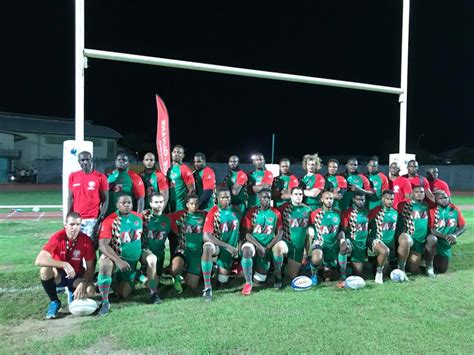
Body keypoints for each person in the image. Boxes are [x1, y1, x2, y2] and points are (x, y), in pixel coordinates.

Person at [35, 212, 96, 319]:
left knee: (90, 291)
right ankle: (54, 301)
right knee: (44, 270)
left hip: (76, 275)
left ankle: (73, 291)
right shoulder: (58, 237)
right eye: (72, 224)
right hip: (58, 274)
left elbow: (90, 267)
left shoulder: (86, 240)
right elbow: (39, 260)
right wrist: (64, 264)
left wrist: (83, 283)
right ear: (65, 225)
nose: (75, 227)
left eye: (78, 224)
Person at [97, 194, 143, 316]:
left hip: (131, 263)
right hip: (116, 259)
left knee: (123, 294)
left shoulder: (139, 218)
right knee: (105, 264)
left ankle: (135, 275)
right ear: (117, 205)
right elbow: (103, 245)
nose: (127, 205)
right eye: (123, 203)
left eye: (129, 203)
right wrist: (118, 261)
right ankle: (105, 302)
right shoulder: (110, 220)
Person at [201, 187, 241, 301]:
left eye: (228, 197)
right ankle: (207, 288)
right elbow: (206, 236)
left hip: (229, 252)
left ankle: (214, 267)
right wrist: (227, 246)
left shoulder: (237, 212)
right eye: (222, 197)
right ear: (217, 199)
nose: (225, 200)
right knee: (207, 248)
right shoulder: (213, 212)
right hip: (218, 246)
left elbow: (242, 232)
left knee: (222, 281)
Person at [241, 188, 285, 293]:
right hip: (254, 243)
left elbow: (280, 233)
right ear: (259, 198)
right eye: (264, 197)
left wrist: (268, 247)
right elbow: (246, 234)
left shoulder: (276, 213)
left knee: (259, 281)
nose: (267, 200)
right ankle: (248, 283)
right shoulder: (252, 212)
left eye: (269, 198)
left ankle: (277, 275)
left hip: (269, 245)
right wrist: (259, 246)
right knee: (246, 250)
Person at [168, 194, 207, 292]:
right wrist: (176, 231)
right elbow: (166, 217)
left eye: (196, 203)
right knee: (174, 268)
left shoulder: (203, 215)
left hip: (197, 252)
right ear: (187, 205)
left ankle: (185, 273)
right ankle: (177, 275)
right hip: (183, 249)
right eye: (191, 204)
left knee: (192, 286)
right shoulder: (181, 214)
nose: (194, 206)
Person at [68, 151, 109, 239]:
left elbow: (105, 200)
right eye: (82, 160)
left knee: (90, 247)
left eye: (87, 159)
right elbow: (71, 198)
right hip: (76, 219)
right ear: (79, 161)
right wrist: (68, 217)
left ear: (91, 160)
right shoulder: (73, 176)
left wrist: (99, 219)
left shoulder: (100, 177)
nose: (85, 162)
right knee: (75, 247)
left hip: (92, 220)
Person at [309, 191, 347, 284]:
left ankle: (343, 274)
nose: (329, 201)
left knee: (328, 276)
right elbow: (308, 226)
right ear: (322, 200)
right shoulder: (315, 214)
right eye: (327, 198)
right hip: (320, 242)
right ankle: (313, 274)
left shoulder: (338, 212)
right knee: (317, 258)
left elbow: (341, 229)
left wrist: (342, 240)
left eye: (331, 198)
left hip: (334, 243)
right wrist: (310, 230)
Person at [140, 193, 171, 304]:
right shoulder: (144, 217)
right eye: (156, 202)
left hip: (160, 254)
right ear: (151, 204)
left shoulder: (168, 220)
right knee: (152, 262)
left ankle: (140, 276)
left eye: (161, 202)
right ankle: (154, 294)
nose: (159, 205)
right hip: (145, 252)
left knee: (154, 279)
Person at [396, 186, 434, 277]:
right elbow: (401, 221)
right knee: (413, 267)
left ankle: (427, 264)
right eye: (417, 192)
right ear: (412, 194)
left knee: (414, 267)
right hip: (412, 239)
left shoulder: (426, 206)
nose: (420, 193)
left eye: (422, 192)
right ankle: (401, 267)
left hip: (422, 241)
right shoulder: (407, 205)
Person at [367, 190, 402, 284]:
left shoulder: (395, 212)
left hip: (389, 243)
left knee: (386, 271)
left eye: (392, 199)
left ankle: (375, 265)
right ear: (382, 199)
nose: (390, 201)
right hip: (375, 240)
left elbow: (395, 231)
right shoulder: (375, 211)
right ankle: (378, 274)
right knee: (384, 251)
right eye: (387, 199)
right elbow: (366, 226)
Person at [278, 187, 313, 279]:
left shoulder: (307, 210)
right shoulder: (283, 208)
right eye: (296, 194)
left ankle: (289, 267)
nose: (298, 196)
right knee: (278, 249)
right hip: (287, 243)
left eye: (300, 194)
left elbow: (308, 232)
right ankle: (278, 274)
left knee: (292, 275)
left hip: (299, 246)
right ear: (291, 196)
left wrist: (306, 249)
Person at [428, 190, 466, 274]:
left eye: (445, 197)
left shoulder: (454, 209)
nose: (444, 200)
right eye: (440, 198)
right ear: (436, 200)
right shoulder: (432, 211)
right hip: (437, 241)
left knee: (442, 269)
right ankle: (427, 262)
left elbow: (463, 226)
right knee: (431, 240)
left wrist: (455, 235)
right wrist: (446, 236)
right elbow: (432, 230)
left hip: (447, 243)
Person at [341, 192, 369, 277]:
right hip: (352, 242)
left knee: (358, 273)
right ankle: (342, 273)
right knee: (344, 247)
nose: (361, 202)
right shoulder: (348, 213)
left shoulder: (367, 212)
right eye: (358, 199)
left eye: (363, 200)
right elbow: (343, 230)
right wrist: (345, 241)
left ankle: (349, 269)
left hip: (362, 244)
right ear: (353, 200)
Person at [167, 145, 195, 213]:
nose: (176, 154)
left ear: (183, 155)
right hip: (169, 205)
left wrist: (186, 203)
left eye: (179, 152)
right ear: (171, 153)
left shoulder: (184, 169)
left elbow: (192, 189)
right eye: (175, 152)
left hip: (179, 206)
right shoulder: (169, 169)